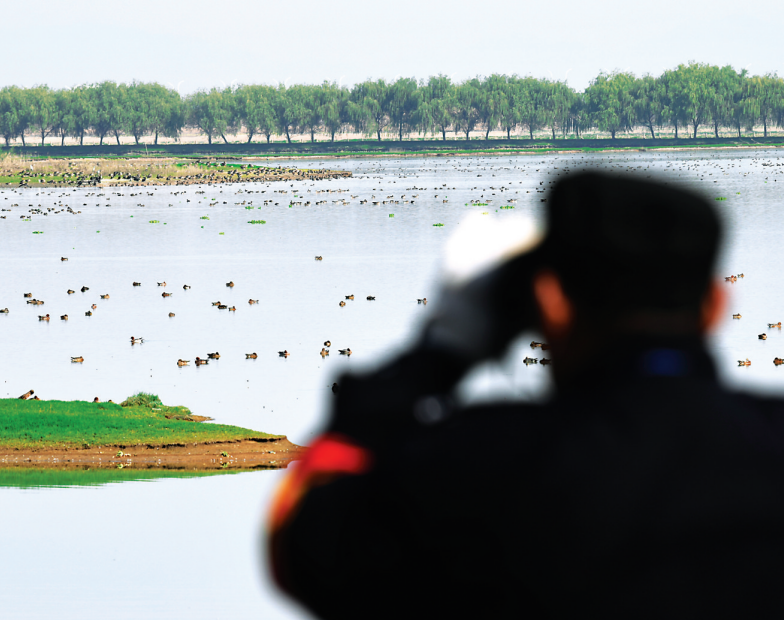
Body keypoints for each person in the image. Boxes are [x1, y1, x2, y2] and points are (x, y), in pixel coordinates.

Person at [267, 171, 784, 618]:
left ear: (549, 302)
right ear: (716, 305)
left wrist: (438, 353)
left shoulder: (476, 464)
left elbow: (302, 548)